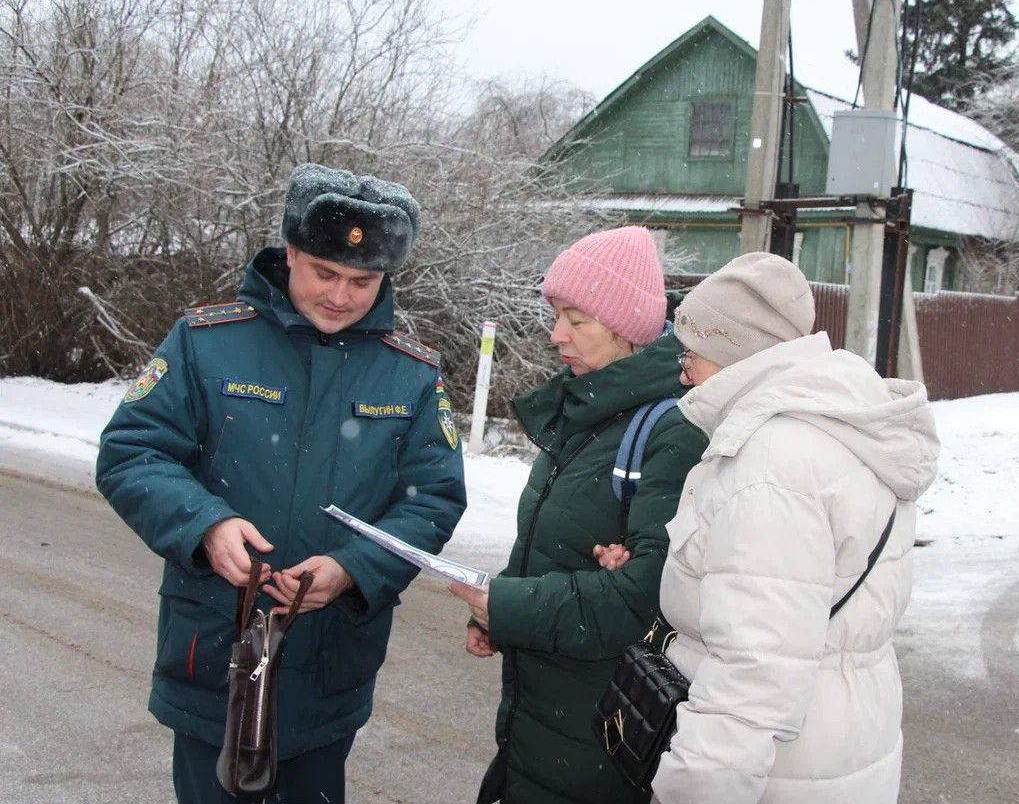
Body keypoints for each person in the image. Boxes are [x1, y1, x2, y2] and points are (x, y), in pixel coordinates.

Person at [95, 163, 467, 803]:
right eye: (325, 272)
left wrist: (353, 569)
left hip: (327, 667)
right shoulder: (206, 343)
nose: (342, 296)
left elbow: (431, 501)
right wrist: (207, 525)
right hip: (215, 650)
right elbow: (132, 452)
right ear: (290, 251)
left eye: (363, 280)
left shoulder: (411, 374)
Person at [599, 252, 940, 803]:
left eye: (692, 351)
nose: (682, 370)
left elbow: (754, 671)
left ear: (732, 351)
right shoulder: (841, 427)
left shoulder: (772, 462)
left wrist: (693, 791)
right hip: (842, 737)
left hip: (778, 771)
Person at [448, 226, 708, 804]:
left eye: (577, 319)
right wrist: (501, 613)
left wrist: (511, 605)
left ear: (628, 330)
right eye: (556, 314)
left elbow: (645, 596)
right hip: (541, 721)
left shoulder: (672, 431)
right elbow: (550, 543)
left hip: (602, 739)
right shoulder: (584, 410)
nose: (555, 334)